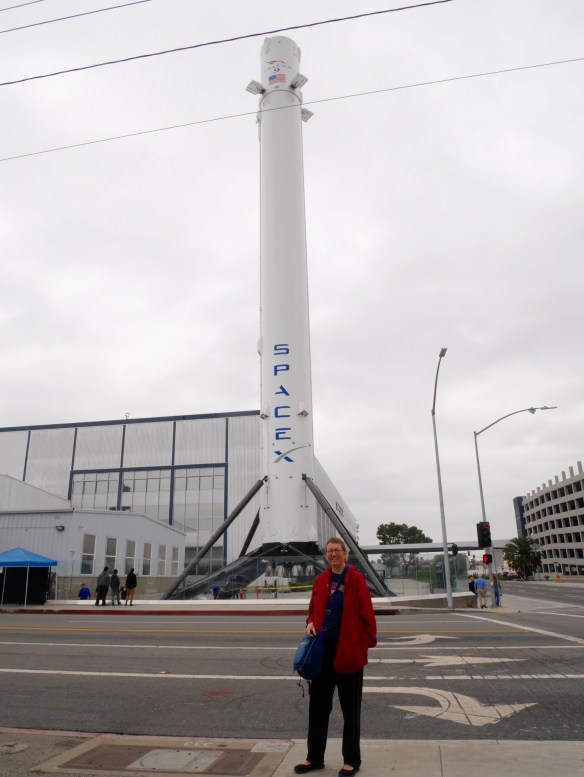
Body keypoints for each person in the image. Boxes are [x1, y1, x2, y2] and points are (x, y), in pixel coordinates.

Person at [294, 537, 377, 776]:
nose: (333, 554)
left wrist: (365, 644)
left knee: (350, 711)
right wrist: (310, 623)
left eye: (337, 550)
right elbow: (312, 610)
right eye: (329, 551)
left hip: (348, 654)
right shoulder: (321, 580)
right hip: (321, 654)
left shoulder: (355, 578)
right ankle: (314, 758)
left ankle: (351, 761)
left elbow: (366, 613)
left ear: (345, 553)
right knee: (318, 708)